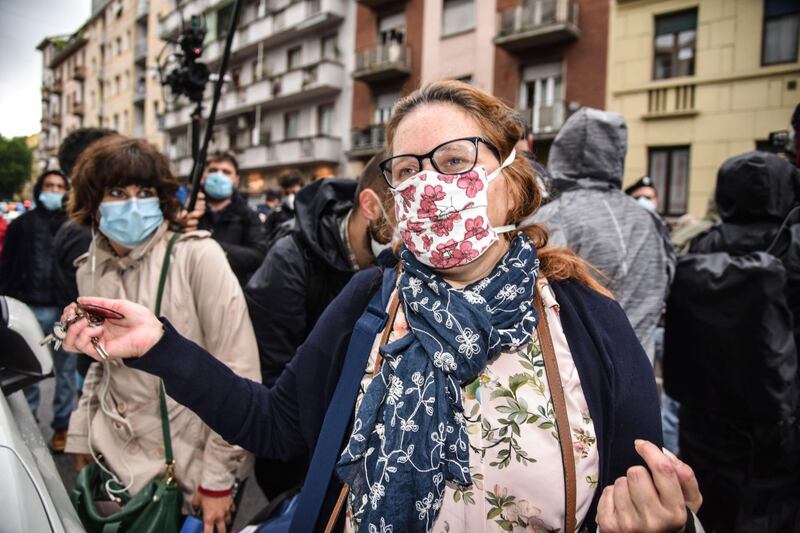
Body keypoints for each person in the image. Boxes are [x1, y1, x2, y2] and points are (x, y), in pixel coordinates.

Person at [60, 81, 701, 533]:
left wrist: (662, 518)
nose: (430, 185)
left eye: (455, 161)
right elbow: (276, 426)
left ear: (513, 179)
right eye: (409, 169)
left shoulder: (584, 319)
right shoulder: (373, 297)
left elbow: (640, 492)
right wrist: (159, 347)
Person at [63, 136, 261, 533]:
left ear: (163, 199)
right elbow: (102, 365)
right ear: (93, 202)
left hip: (189, 468)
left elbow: (241, 374)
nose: (133, 203)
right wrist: (81, 434)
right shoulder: (89, 267)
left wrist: (219, 480)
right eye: (117, 191)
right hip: (116, 464)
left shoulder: (197, 256)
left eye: (146, 191)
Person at [244, 154, 394, 499]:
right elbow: (272, 379)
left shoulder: (404, 272)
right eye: (407, 211)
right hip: (301, 458)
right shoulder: (292, 260)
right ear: (371, 205)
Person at [665, 151, 800, 531]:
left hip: (704, 411)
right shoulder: (790, 244)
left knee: (710, 507)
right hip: (775, 416)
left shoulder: (704, 244)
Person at [532, 108, 675, 363]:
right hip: (639, 369)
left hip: (582, 379)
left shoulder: (553, 216)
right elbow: (667, 280)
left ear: (562, 151)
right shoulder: (650, 220)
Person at [0, 169, 76, 450]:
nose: (54, 191)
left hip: (63, 312)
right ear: (39, 189)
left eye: (59, 186)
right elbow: (6, 266)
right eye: (49, 185)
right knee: (28, 374)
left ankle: (62, 428)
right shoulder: (21, 225)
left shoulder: (72, 225)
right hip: (28, 310)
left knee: (65, 374)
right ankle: (27, 429)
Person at [197, 151, 268, 285]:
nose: (219, 176)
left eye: (226, 172)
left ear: (236, 180)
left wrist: (213, 247)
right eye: (213, 170)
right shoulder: (191, 211)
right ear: (203, 176)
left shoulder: (248, 216)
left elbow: (258, 256)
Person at [263, 168, 304, 243]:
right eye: (287, 193)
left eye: (294, 192)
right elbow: (266, 239)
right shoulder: (275, 214)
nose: (291, 196)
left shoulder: (309, 212)